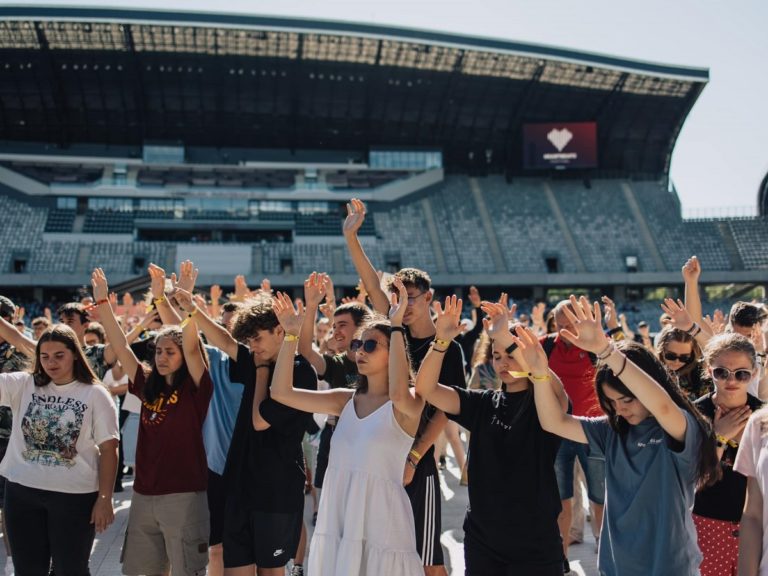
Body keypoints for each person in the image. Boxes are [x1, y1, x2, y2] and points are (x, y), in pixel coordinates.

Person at [522, 295, 720, 576]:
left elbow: (662, 405)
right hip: (616, 567)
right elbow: (553, 422)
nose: (620, 409)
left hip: (670, 567)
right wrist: (540, 374)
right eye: (612, 402)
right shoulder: (611, 430)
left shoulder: (681, 426)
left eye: (627, 400)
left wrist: (606, 350)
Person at [343, 197, 466, 574]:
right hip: (380, 455)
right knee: (384, 554)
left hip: (417, 462)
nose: (403, 305)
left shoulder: (448, 346)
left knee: (427, 558)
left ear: (429, 297)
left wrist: (415, 457)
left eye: (411, 298)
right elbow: (369, 281)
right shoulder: (390, 333)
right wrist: (352, 238)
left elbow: (446, 409)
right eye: (398, 298)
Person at [269, 281, 424, 575]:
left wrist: (395, 325)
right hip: (339, 517)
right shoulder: (344, 400)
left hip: (383, 524)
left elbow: (401, 393)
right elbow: (281, 393)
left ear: (394, 352)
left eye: (369, 345)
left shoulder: (407, 403)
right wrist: (290, 335)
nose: (359, 351)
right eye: (357, 344)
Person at [415, 297, 565, 575]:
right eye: (497, 356)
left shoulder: (546, 404)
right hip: (483, 540)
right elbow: (426, 389)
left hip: (535, 542)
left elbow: (556, 393)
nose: (503, 362)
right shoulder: (481, 402)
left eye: (511, 354)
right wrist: (441, 343)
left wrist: (503, 336)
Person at [183, 291, 317, 576]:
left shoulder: (301, 372)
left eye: (257, 339)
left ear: (279, 331)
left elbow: (261, 420)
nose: (252, 347)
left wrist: (260, 375)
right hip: (239, 489)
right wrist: (193, 310)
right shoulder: (257, 358)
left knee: (270, 572)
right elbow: (224, 340)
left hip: (276, 492)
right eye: (249, 341)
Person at [92, 268, 213, 576]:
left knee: (187, 570)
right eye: (158, 351)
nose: (161, 357)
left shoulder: (196, 387)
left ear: (183, 356)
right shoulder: (146, 383)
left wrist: (182, 305)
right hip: (144, 496)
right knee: (140, 571)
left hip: (184, 494)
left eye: (170, 352)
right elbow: (120, 347)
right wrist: (103, 302)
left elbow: (193, 346)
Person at [0, 323, 119, 575]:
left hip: (74, 498)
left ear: (75, 353)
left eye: (59, 356)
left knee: (70, 570)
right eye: (44, 357)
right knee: (28, 570)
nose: (51, 363)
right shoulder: (22, 384)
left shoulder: (96, 394)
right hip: (22, 493)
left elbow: (109, 449)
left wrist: (105, 498)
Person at [542, 299, 604, 570]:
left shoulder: (593, 347)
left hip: (592, 431)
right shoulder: (544, 346)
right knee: (562, 498)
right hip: (558, 430)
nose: (565, 330)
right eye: (561, 325)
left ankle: (604, 549)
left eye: (571, 324)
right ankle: (562, 556)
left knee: (599, 496)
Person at [692, 333, 762, 575]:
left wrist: (747, 440)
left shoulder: (763, 416)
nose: (731, 380)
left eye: (741, 374)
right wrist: (719, 438)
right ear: (708, 370)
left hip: (757, 526)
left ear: (753, 373)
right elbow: (691, 480)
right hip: (706, 525)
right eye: (722, 372)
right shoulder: (693, 413)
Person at [655, 327, 708, 401]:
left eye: (684, 357)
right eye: (671, 356)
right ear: (662, 350)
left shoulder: (699, 371)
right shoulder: (652, 371)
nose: (677, 361)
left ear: (691, 355)